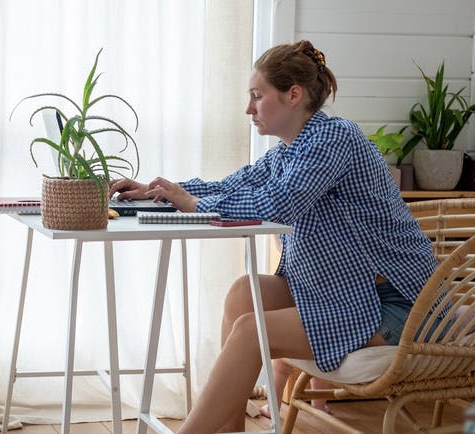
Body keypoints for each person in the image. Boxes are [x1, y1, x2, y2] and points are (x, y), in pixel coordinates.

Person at [110, 40, 438, 433]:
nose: (249, 108)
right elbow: (231, 185)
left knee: (251, 331)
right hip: (343, 292)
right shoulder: (289, 151)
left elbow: (278, 203)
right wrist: (160, 190)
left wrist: (192, 202)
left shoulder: (335, 138)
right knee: (242, 295)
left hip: (393, 303)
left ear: (293, 95)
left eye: (256, 96)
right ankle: (230, 428)